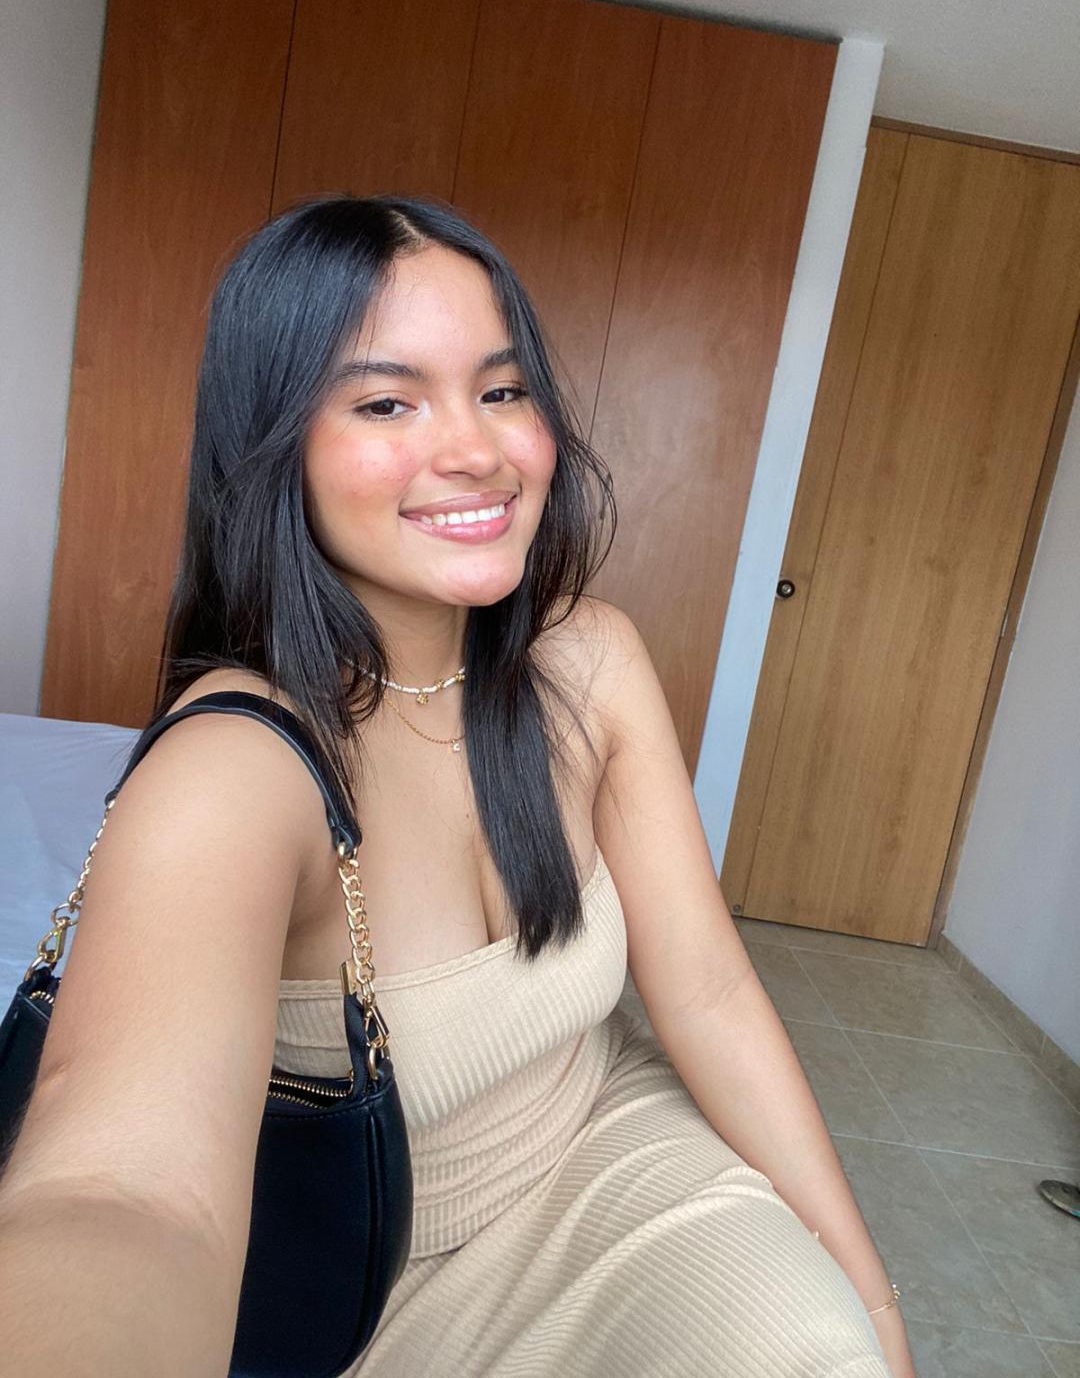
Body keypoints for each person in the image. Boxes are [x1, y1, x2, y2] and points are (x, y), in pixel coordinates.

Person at [0, 195, 913, 1376]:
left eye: (503, 390)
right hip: (361, 1288)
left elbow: (711, 992)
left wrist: (872, 1302)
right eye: (386, 402)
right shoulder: (235, 767)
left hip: (613, 1157)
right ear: (274, 442)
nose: (478, 450)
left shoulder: (590, 661)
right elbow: (124, 1191)